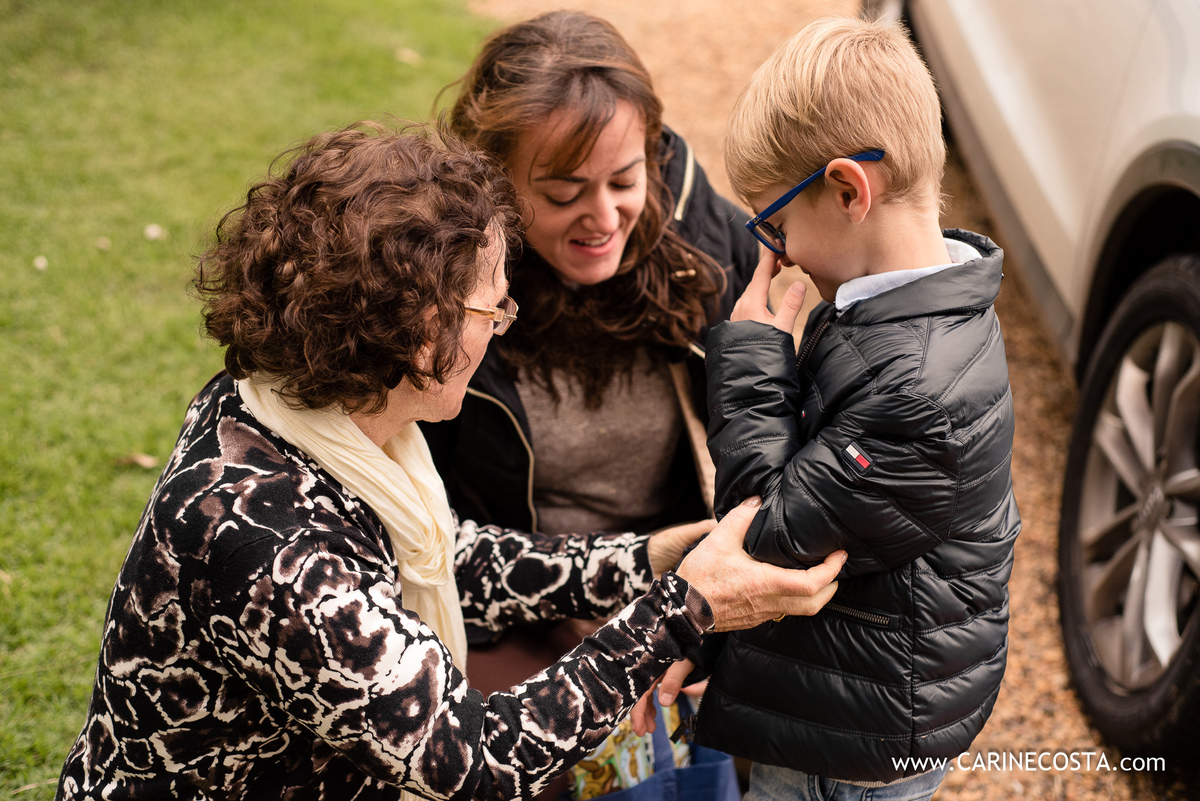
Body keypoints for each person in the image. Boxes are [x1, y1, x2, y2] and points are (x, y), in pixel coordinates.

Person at [54, 122, 846, 801]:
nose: (504, 324)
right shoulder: (266, 543)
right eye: (490, 304)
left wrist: (640, 560)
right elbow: (473, 757)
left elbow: (433, 561)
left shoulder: (296, 404)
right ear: (412, 325)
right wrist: (686, 605)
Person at [635, 16, 1022, 801]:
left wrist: (751, 357)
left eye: (773, 225)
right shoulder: (910, 305)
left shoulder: (917, 387)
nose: (774, 252)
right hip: (856, 683)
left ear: (848, 189)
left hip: (853, 739)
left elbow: (767, 535)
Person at [424, 9, 760, 548]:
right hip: (516, 591)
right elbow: (421, 512)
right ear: (492, 179)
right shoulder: (441, 287)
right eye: (564, 193)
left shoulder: (719, 250)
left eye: (625, 181)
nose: (605, 220)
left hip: (683, 573)